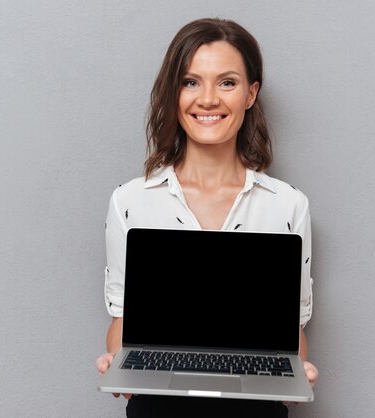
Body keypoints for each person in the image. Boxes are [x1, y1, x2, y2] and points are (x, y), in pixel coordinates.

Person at [96, 17, 318, 418]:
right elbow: (122, 317)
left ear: (251, 94)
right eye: (191, 81)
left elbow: (292, 331)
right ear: (174, 92)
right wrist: (120, 363)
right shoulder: (129, 201)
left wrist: (295, 376)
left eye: (227, 82)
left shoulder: (288, 205)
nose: (208, 99)